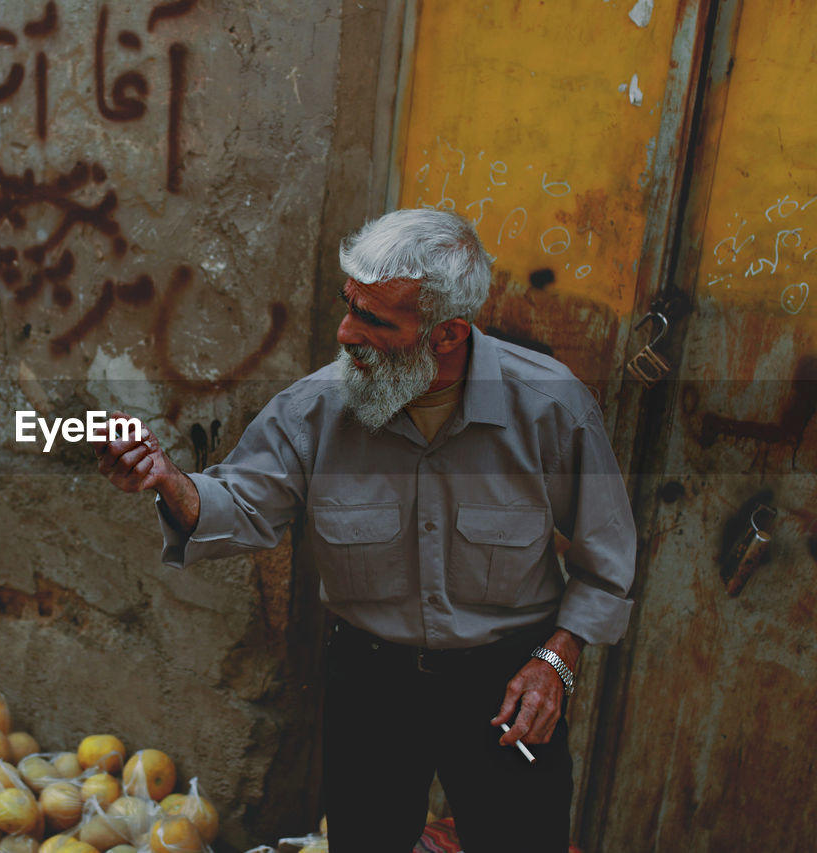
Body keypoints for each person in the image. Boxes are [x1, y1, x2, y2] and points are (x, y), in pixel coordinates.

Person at [92, 208, 636, 852]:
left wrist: (558, 660)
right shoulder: (312, 409)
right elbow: (239, 505)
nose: (347, 332)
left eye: (376, 320)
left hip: (507, 684)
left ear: (446, 334)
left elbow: (607, 562)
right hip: (372, 684)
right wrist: (166, 479)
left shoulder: (550, 407)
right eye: (349, 305)